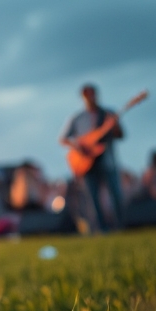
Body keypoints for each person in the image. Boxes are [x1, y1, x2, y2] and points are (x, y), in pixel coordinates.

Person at [60, 84, 125, 231]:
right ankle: (101, 229)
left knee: (115, 194)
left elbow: (120, 135)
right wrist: (79, 146)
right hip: (87, 164)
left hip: (107, 160)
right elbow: (63, 139)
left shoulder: (108, 114)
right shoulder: (77, 118)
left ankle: (121, 226)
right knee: (93, 198)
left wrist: (114, 126)